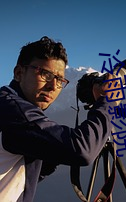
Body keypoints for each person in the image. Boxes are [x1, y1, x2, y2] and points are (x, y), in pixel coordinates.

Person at [0, 36, 119, 202]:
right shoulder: (15, 111)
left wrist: (55, 149)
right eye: (45, 74)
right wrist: (108, 101)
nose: (53, 86)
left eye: (60, 80)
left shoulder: (8, 104)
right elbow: (83, 151)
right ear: (19, 73)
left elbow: (23, 175)